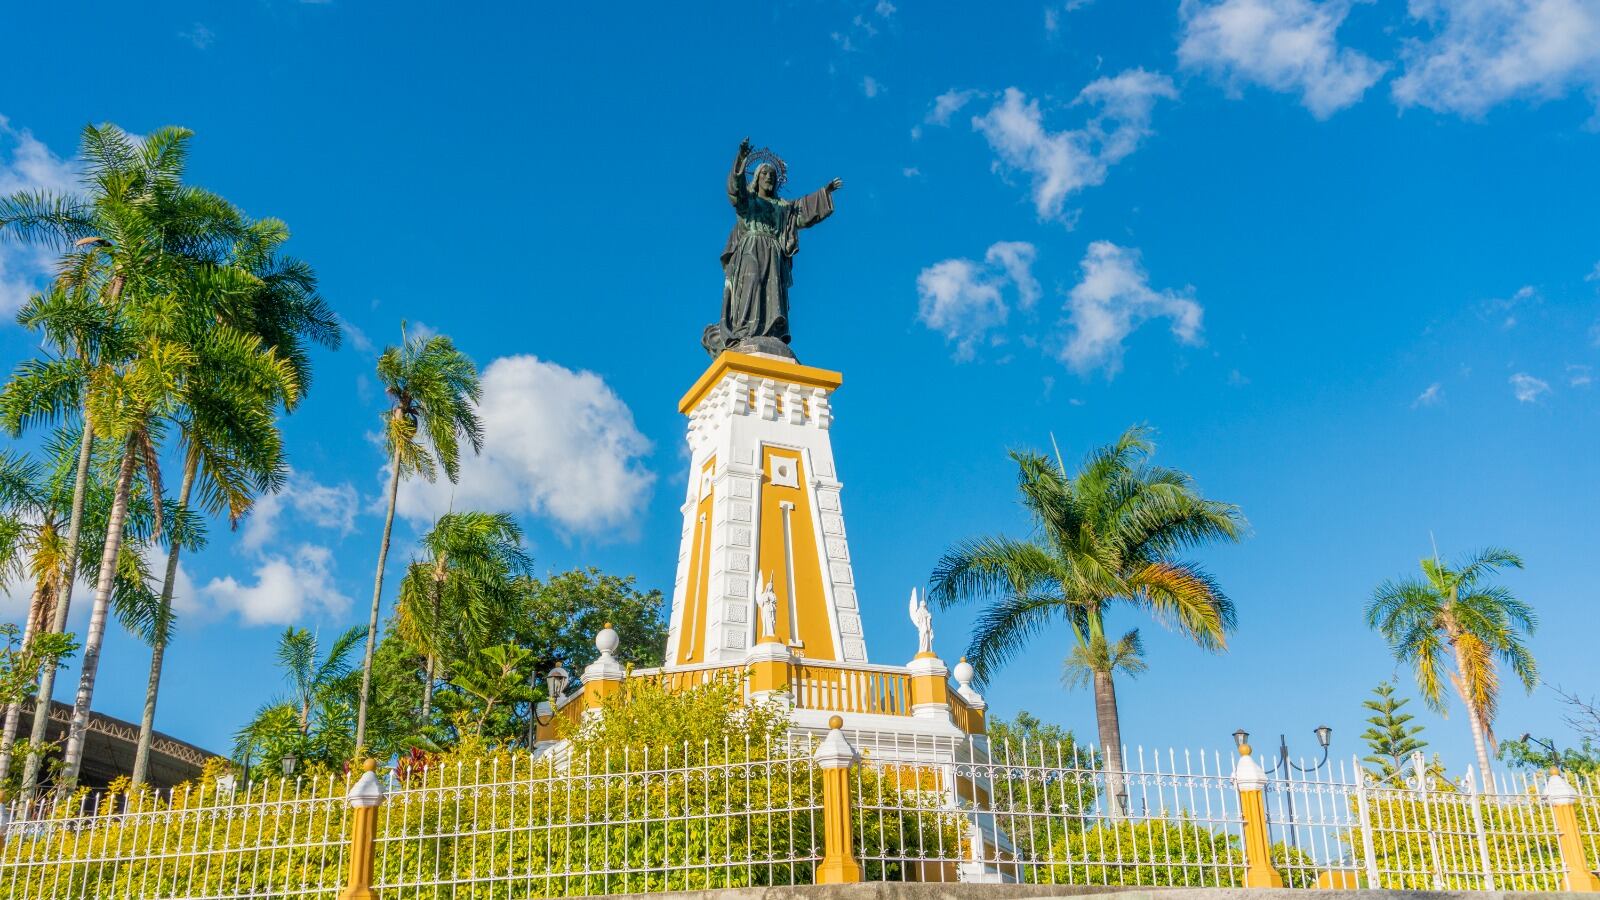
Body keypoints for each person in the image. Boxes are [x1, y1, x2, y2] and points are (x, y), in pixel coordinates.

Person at [702, 138, 842, 358]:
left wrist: (825, 192)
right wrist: (740, 159)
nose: (769, 178)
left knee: (771, 289)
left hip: (773, 252)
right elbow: (735, 190)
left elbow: (802, 210)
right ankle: (745, 330)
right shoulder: (748, 202)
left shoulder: (781, 207)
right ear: (757, 178)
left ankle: (769, 334)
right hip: (750, 248)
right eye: (765, 174)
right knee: (752, 283)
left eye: (773, 176)